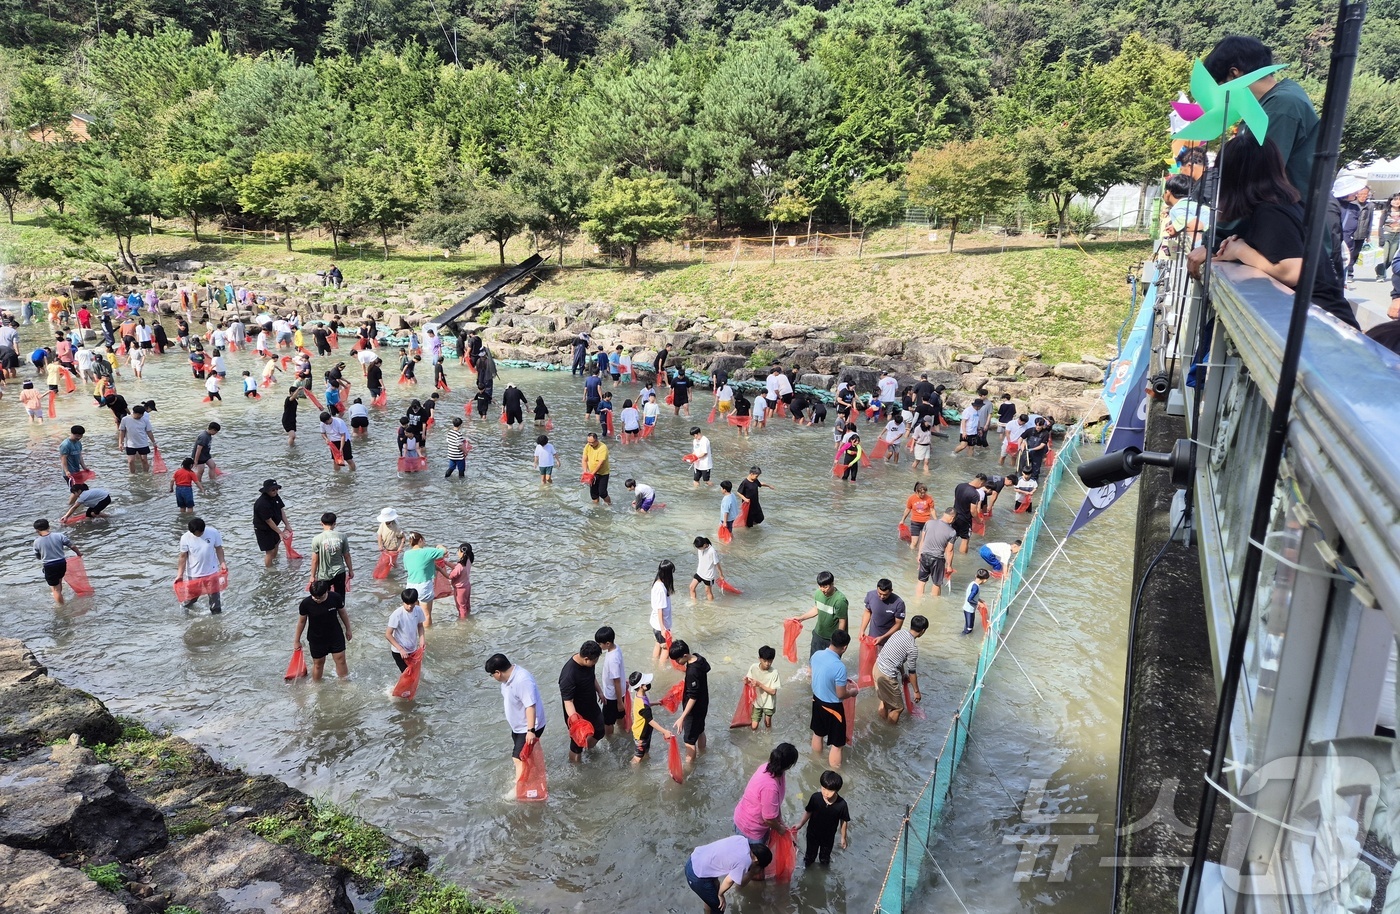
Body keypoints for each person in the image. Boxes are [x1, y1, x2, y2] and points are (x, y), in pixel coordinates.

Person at [1187, 135, 1357, 328]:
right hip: (1323, 321)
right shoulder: (1281, 205)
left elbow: (1293, 271)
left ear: (1229, 176)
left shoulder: (1271, 212)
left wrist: (1240, 251)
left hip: (1325, 325)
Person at [1203, 35, 1319, 199]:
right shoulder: (1281, 98)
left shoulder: (1279, 107)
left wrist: (1224, 224)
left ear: (1234, 74)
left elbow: (1258, 183)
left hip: (1281, 218)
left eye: (1221, 87)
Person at [485, 653, 547, 782]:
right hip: (518, 726)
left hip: (528, 726)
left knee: (518, 758)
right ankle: (531, 774)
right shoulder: (507, 680)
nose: (493, 677)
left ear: (498, 672)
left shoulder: (522, 680)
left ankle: (519, 786)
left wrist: (531, 731)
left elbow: (530, 706)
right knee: (524, 755)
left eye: (492, 675)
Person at [685, 836, 772, 914]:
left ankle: (707, 911)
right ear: (756, 860)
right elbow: (730, 880)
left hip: (695, 859)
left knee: (712, 895)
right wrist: (720, 895)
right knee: (719, 907)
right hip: (697, 875)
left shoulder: (741, 840)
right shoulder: (745, 860)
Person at [733, 742, 799, 846]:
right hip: (750, 829)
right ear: (789, 765)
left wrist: (780, 821)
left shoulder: (771, 769)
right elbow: (768, 819)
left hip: (753, 820)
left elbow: (774, 805)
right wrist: (781, 829)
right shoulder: (770, 787)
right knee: (755, 860)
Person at [811, 630, 859, 768]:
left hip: (817, 700)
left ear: (831, 641)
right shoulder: (839, 667)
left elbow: (819, 676)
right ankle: (835, 772)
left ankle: (815, 762)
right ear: (844, 647)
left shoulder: (816, 655)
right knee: (838, 744)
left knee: (818, 733)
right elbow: (840, 694)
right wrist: (852, 692)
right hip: (832, 708)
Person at [295, 580, 352, 681]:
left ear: (327, 591)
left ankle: (344, 682)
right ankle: (316, 685)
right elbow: (301, 622)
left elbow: (343, 613)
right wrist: (297, 640)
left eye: (320, 597)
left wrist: (348, 629)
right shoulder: (306, 603)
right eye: (315, 597)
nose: (317, 600)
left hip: (335, 635)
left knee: (341, 660)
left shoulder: (335, 597)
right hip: (316, 638)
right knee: (318, 664)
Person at [560, 640, 605, 763]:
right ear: (586, 659)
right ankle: (576, 767)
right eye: (594, 661)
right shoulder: (568, 675)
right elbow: (568, 702)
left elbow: (592, 677)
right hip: (576, 713)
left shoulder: (589, 662)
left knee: (600, 731)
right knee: (577, 744)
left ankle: (588, 749)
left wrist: (600, 692)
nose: (595, 663)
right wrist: (576, 723)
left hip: (591, 705)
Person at [875, 615, 927, 723]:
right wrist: (916, 691)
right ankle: (888, 733)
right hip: (886, 676)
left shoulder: (899, 633)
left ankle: (880, 724)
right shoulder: (912, 648)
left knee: (884, 700)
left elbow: (896, 656)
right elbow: (912, 672)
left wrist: (903, 674)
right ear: (923, 631)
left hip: (877, 667)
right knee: (898, 707)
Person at [796, 770, 851, 868]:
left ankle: (824, 872)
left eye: (830, 790)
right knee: (809, 856)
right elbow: (809, 811)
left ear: (836, 790)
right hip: (812, 833)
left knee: (825, 859)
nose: (825, 793)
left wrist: (843, 837)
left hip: (828, 837)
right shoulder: (815, 798)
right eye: (823, 788)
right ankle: (807, 869)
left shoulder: (842, 805)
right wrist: (800, 824)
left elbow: (844, 821)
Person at [669, 639, 710, 767]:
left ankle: (689, 766)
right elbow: (707, 668)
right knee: (700, 730)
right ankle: (703, 754)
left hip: (694, 709)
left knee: (689, 740)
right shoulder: (698, 658)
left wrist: (682, 717)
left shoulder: (692, 671)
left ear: (685, 656)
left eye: (677, 660)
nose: (677, 663)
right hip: (704, 704)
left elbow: (693, 697)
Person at [176, 517, 227, 614]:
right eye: (195, 534)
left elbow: (219, 548)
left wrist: (222, 563)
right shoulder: (185, 538)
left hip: (211, 572)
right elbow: (183, 557)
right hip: (194, 573)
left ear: (203, 529)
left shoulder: (213, 532)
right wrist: (180, 575)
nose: (198, 535)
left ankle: (217, 623)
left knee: (215, 601)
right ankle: (184, 610)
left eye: (199, 533)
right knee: (192, 598)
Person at [792, 571, 848, 657]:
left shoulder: (840, 600)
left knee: (829, 664)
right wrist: (801, 618)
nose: (823, 590)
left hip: (832, 638)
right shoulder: (818, 593)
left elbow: (842, 621)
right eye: (820, 586)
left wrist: (838, 641)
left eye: (825, 587)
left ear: (832, 584)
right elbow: (816, 609)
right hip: (818, 634)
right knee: (813, 660)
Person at [401, 533, 447, 626]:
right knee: (426, 614)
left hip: (410, 586)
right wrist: (439, 546)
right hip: (424, 586)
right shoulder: (426, 552)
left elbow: (412, 568)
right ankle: (427, 635)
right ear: (420, 540)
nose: (424, 544)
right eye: (424, 541)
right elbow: (444, 551)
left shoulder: (406, 554)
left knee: (414, 613)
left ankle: (415, 632)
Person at [33, 519, 81, 604]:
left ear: (37, 530)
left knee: (55, 589)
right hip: (62, 563)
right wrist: (79, 553)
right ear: (49, 527)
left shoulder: (37, 542)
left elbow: (38, 556)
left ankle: (61, 607)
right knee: (59, 581)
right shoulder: (59, 535)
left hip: (49, 565)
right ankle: (60, 597)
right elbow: (72, 546)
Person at [916, 506, 958, 599]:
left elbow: (922, 540)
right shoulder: (952, 532)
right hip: (937, 559)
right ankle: (935, 603)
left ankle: (917, 601)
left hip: (924, 555)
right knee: (937, 583)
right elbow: (949, 551)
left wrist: (919, 554)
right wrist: (949, 566)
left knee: (921, 581)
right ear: (952, 518)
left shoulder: (928, 523)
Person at [628, 671, 669, 763]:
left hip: (645, 732)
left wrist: (655, 703)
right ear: (641, 686)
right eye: (647, 682)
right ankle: (633, 771)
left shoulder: (639, 696)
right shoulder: (643, 707)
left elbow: (645, 705)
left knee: (645, 752)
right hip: (641, 736)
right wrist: (665, 731)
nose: (649, 683)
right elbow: (650, 721)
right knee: (637, 758)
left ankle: (645, 763)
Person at [310, 512, 353, 596]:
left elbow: (315, 560)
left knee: (324, 597)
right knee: (340, 597)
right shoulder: (342, 536)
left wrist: (312, 576)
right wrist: (350, 570)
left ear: (321, 523)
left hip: (323, 574)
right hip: (339, 572)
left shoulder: (316, 539)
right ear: (335, 523)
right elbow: (347, 556)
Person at [596, 625, 627, 737]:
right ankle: (623, 733)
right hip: (620, 692)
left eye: (600, 643)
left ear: (607, 643)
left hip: (612, 696)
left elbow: (616, 681)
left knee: (607, 721)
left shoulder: (612, 659)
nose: (599, 646)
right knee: (620, 715)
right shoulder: (616, 648)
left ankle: (610, 739)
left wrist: (619, 702)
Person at [386, 588, 427, 672]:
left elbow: (420, 626)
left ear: (416, 601)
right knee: (407, 673)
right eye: (407, 604)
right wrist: (401, 649)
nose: (410, 606)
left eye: (412, 603)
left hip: (413, 649)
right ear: (403, 602)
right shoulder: (397, 614)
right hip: (399, 652)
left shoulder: (418, 610)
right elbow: (388, 634)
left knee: (413, 672)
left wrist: (422, 640)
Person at [861, 578, 906, 648]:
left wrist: (883, 637)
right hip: (872, 638)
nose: (882, 597)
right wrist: (862, 630)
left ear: (891, 591)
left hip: (889, 642)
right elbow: (867, 612)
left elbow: (898, 625)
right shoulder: (870, 595)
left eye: (885, 595)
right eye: (879, 593)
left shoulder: (899, 603)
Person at [253, 479, 289, 568]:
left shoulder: (276, 496)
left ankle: (274, 561)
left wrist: (287, 525)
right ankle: (269, 569)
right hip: (263, 529)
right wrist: (280, 532)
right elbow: (268, 521)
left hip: (273, 526)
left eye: (276, 489)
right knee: (269, 551)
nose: (275, 491)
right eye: (273, 490)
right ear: (266, 490)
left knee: (276, 544)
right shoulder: (262, 503)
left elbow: (281, 510)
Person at [746, 645, 781, 731]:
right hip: (757, 701)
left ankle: (768, 736)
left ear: (772, 660)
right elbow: (748, 681)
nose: (767, 664)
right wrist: (746, 681)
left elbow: (773, 692)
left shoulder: (774, 673)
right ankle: (753, 739)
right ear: (759, 659)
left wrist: (760, 685)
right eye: (764, 661)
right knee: (754, 726)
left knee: (767, 723)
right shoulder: (753, 667)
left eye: (770, 661)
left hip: (769, 703)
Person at [118, 403, 158, 473]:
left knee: (144, 460)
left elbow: (149, 432)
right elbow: (122, 431)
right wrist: (120, 443)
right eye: (139, 415)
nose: (140, 416)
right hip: (130, 444)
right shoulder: (125, 419)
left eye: (142, 415)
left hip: (143, 443)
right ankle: (132, 475)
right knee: (130, 461)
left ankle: (146, 473)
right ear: (134, 413)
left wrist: (154, 442)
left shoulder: (145, 420)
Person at [952, 474, 985, 554]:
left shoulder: (960, 486)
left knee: (952, 538)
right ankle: (962, 559)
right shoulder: (974, 494)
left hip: (954, 516)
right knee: (965, 539)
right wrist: (978, 520)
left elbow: (955, 499)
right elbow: (973, 511)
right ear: (981, 483)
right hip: (965, 519)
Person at [650, 560, 675, 665]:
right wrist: (663, 629)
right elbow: (660, 609)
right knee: (665, 648)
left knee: (658, 643)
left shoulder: (657, 583)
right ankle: (661, 669)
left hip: (656, 624)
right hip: (661, 625)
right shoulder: (661, 589)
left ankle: (654, 663)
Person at [899, 482, 935, 553]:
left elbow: (932, 510)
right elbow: (908, 509)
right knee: (914, 542)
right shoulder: (911, 498)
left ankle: (921, 556)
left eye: (924, 493)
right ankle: (911, 556)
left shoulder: (929, 498)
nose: (923, 494)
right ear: (917, 492)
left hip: (926, 523)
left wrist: (936, 520)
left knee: (924, 543)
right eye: (921, 493)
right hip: (915, 523)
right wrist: (902, 520)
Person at [582, 432, 611, 506]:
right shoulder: (587, 446)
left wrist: (592, 474)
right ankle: (596, 508)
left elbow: (600, 464)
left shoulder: (603, 447)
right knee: (594, 494)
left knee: (602, 493)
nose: (590, 444)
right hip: (592, 473)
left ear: (596, 440)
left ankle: (609, 505)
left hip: (603, 473)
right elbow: (584, 460)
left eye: (591, 442)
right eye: (588, 442)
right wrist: (585, 472)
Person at [690, 536, 722, 600]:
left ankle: (710, 606)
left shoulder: (712, 551)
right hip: (700, 572)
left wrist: (721, 575)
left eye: (699, 548)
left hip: (708, 576)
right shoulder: (700, 547)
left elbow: (717, 564)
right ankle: (694, 604)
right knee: (691, 587)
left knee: (708, 591)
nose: (698, 549)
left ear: (704, 545)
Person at [964, 569, 991, 635]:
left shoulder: (972, 583)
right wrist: (979, 603)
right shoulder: (976, 587)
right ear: (985, 580)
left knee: (969, 626)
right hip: (969, 610)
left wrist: (979, 599)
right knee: (969, 629)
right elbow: (969, 599)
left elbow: (972, 595)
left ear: (976, 575)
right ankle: (961, 637)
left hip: (969, 609)